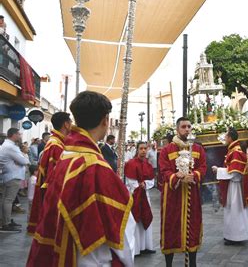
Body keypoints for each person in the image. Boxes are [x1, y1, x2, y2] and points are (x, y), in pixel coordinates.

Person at [27, 91, 136, 266]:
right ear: (105, 120)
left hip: (64, 250)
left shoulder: (66, 156)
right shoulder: (96, 167)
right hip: (91, 259)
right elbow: (123, 233)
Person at [158, 117, 207, 267]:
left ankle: (192, 263)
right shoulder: (167, 149)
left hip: (192, 195)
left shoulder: (198, 149)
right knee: (171, 228)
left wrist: (195, 175)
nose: (187, 129)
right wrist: (176, 177)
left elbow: (203, 167)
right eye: (184, 127)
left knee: (192, 228)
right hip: (173, 196)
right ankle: (169, 264)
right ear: (177, 129)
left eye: (189, 126)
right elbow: (164, 170)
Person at [28, 111, 72, 235]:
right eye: (71, 122)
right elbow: (58, 176)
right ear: (66, 124)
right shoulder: (56, 145)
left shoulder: (55, 142)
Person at [212, 127, 248, 245]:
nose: (224, 138)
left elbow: (234, 173)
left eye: (226, 136)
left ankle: (236, 236)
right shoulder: (233, 150)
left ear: (230, 138)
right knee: (231, 211)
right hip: (232, 187)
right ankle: (231, 235)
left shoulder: (235, 151)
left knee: (235, 211)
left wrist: (218, 170)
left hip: (235, 188)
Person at [125, 141, 156, 256]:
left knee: (146, 217)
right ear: (137, 150)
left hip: (145, 196)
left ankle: (147, 246)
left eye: (145, 148)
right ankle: (137, 248)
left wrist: (145, 184)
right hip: (135, 196)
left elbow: (152, 181)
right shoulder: (131, 164)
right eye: (141, 148)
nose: (143, 151)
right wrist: (139, 185)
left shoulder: (148, 165)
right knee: (136, 221)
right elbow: (130, 181)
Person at [0, 128, 30, 232]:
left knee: (5, 200)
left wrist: (20, 160)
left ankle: (5, 221)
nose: (20, 136)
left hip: (9, 176)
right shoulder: (10, 147)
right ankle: (6, 224)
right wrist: (23, 159)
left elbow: (21, 160)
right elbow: (24, 160)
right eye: (19, 134)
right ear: (13, 135)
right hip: (13, 176)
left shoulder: (8, 145)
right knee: (8, 200)